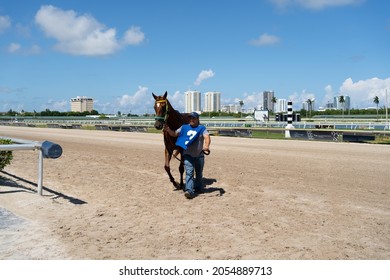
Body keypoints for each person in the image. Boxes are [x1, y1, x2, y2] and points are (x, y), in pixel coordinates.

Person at [163, 112, 211, 199]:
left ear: (197, 119)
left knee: (199, 173)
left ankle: (198, 188)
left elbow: (207, 137)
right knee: (189, 173)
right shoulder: (184, 127)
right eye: (190, 118)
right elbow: (174, 133)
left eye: (193, 118)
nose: (191, 120)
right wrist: (168, 130)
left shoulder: (202, 128)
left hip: (199, 155)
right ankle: (189, 191)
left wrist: (206, 146)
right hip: (188, 155)